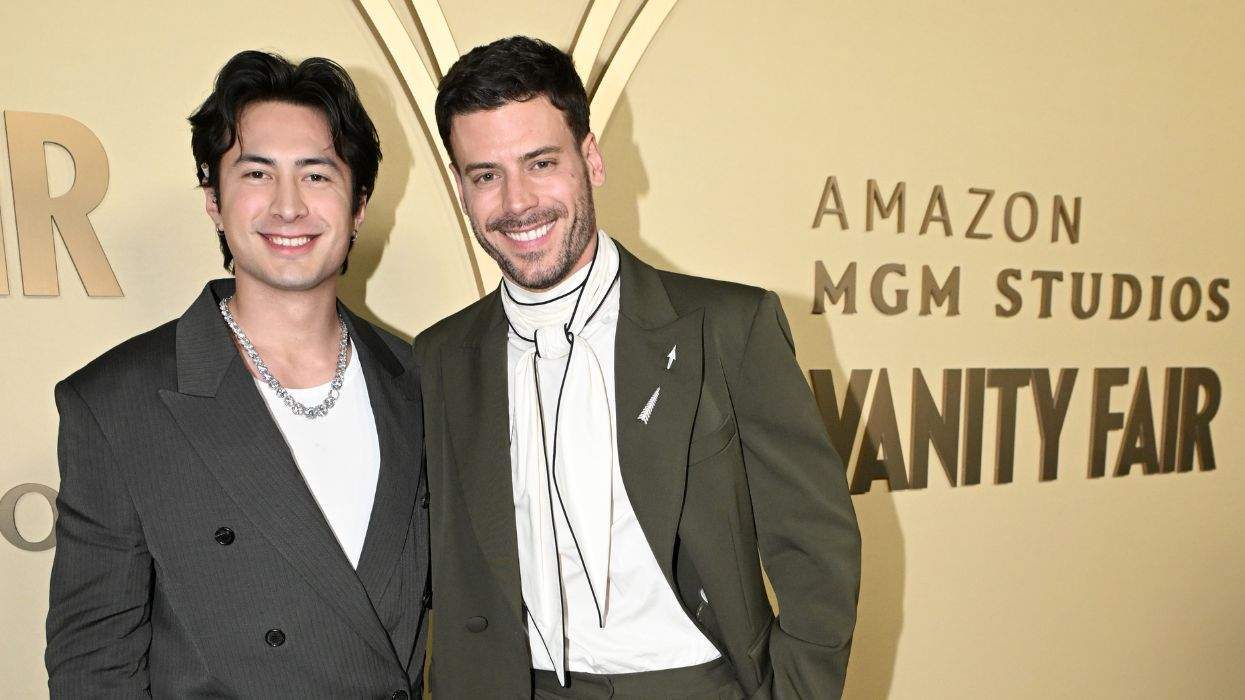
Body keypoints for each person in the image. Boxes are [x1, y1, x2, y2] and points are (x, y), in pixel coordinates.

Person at [415, 36, 860, 698]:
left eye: (540, 163)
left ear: (589, 159)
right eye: (486, 175)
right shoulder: (439, 357)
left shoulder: (728, 328)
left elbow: (815, 548)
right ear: (461, 187)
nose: (516, 202)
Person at [45, 50, 428, 698]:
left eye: (316, 175)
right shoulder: (118, 404)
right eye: (257, 173)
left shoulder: (424, 384)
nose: (287, 206)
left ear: (358, 203)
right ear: (214, 200)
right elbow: (93, 671)